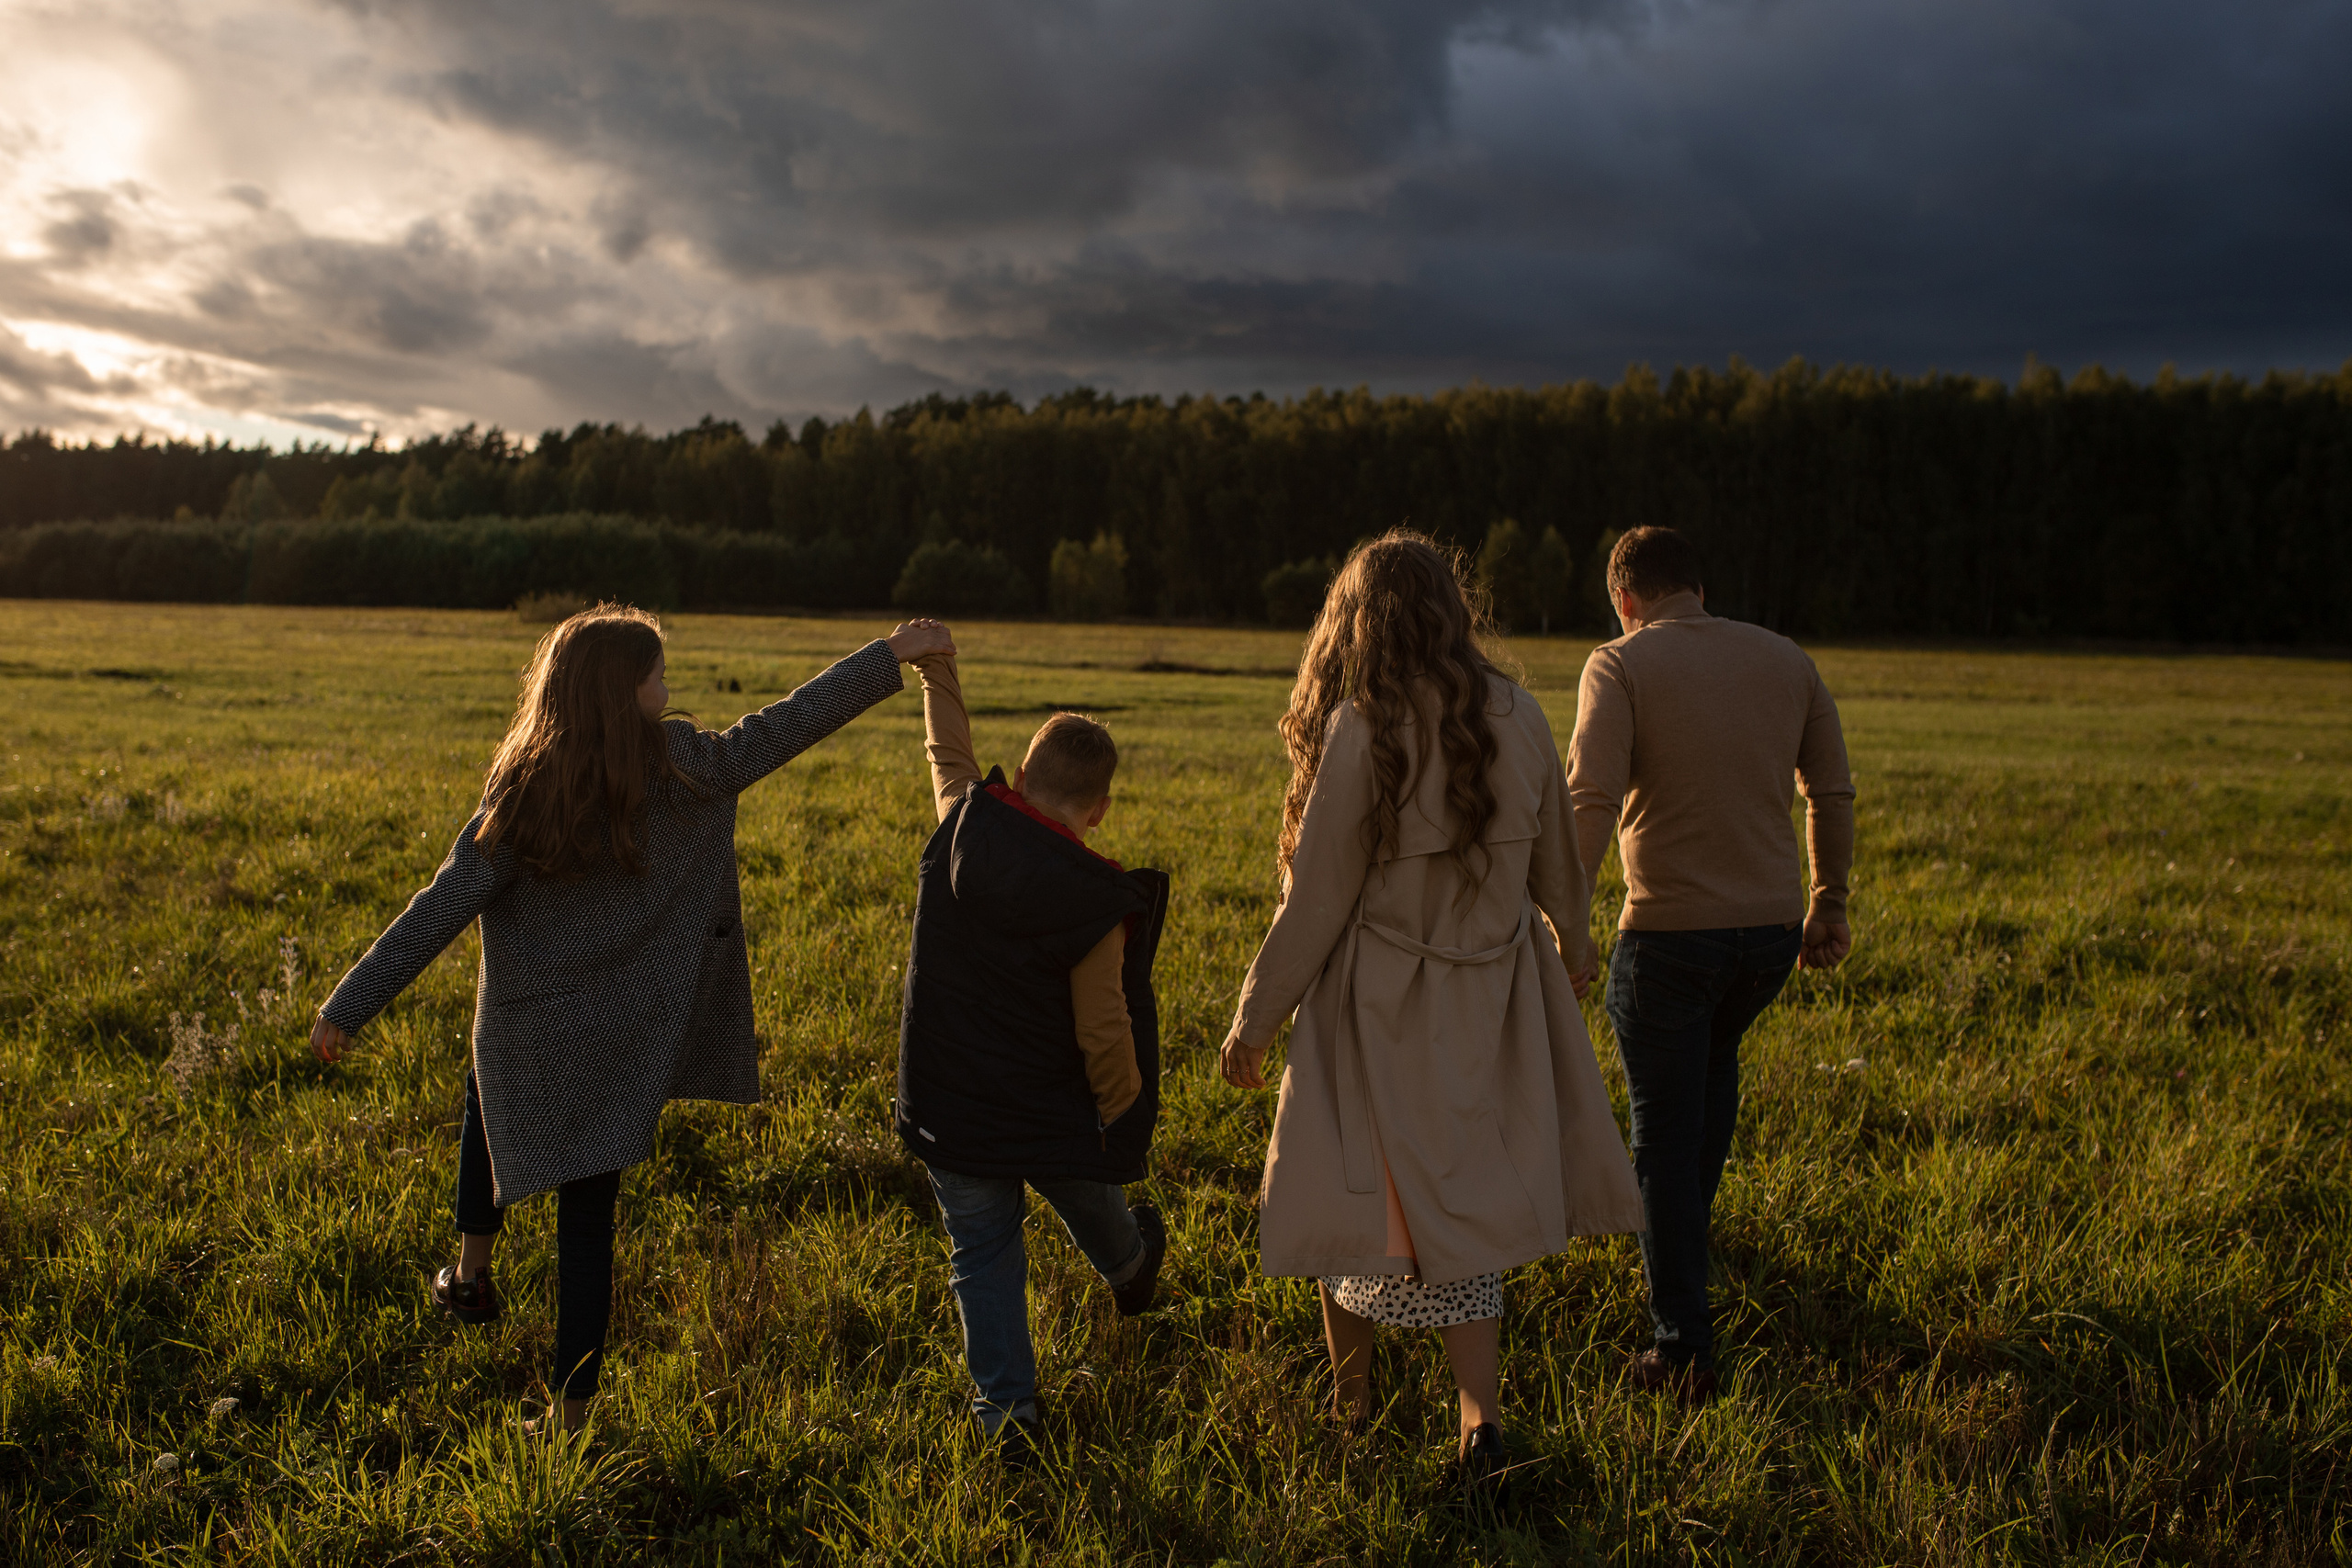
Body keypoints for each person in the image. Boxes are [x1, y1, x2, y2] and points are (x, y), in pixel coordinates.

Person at [310, 605, 952, 1435]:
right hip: (621, 1045)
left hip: (528, 1028)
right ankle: (570, 1416)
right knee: (585, 1230)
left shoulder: (524, 788)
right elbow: (789, 723)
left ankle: (470, 1269)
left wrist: (348, 1005)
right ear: (624, 691)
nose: (668, 682)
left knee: (486, 1086)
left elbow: (442, 904)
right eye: (657, 671)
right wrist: (890, 654)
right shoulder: (687, 765)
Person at [1219, 530, 1644, 1495]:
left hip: (1374, 1006)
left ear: (1355, 623)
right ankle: (1478, 1423)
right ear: (1453, 611)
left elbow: (1316, 900)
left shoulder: (1363, 727)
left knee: (1351, 1198)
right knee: (1470, 1203)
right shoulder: (1519, 713)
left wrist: (1255, 1019)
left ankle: (1351, 1410)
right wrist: (1574, 944)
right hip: (1492, 1000)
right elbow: (1558, 864)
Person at [1566, 525, 1855, 1404]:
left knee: (1661, 1140)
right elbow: (1830, 789)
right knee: (1708, 1079)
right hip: (1767, 939)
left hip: (1666, 939)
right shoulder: (1785, 658)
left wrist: (1566, 922)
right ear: (1698, 588)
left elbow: (1591, 798)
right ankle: (1688, 1244)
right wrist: (1829, 900)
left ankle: (1682, 1347)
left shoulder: (1618, 664)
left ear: (1625, 599)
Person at [895, 642, 1172, 1462]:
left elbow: (948, 756)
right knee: (1083, 1182)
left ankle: (1008, 1417)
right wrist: (1123, 1113)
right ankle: (1130, 1267)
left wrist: (938, 672)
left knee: (982, 1252)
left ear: (1018, 775)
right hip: (1046, 1109)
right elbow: (1103, 1031)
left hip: (949, 1106)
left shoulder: (965, 821)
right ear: (1102, 809)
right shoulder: (1094, 903)